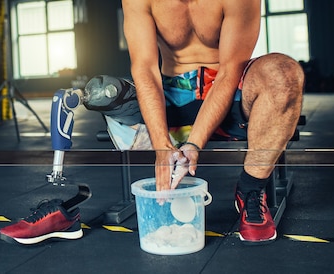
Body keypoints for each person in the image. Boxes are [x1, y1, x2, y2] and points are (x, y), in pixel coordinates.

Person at [121, 0, 304, 244]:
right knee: (103, 93)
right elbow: (144, 67)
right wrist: (161, 145)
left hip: (230, 89)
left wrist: (194, 144)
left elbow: (230, 71)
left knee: (285, 74)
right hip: (174, 95)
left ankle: (250, 189)